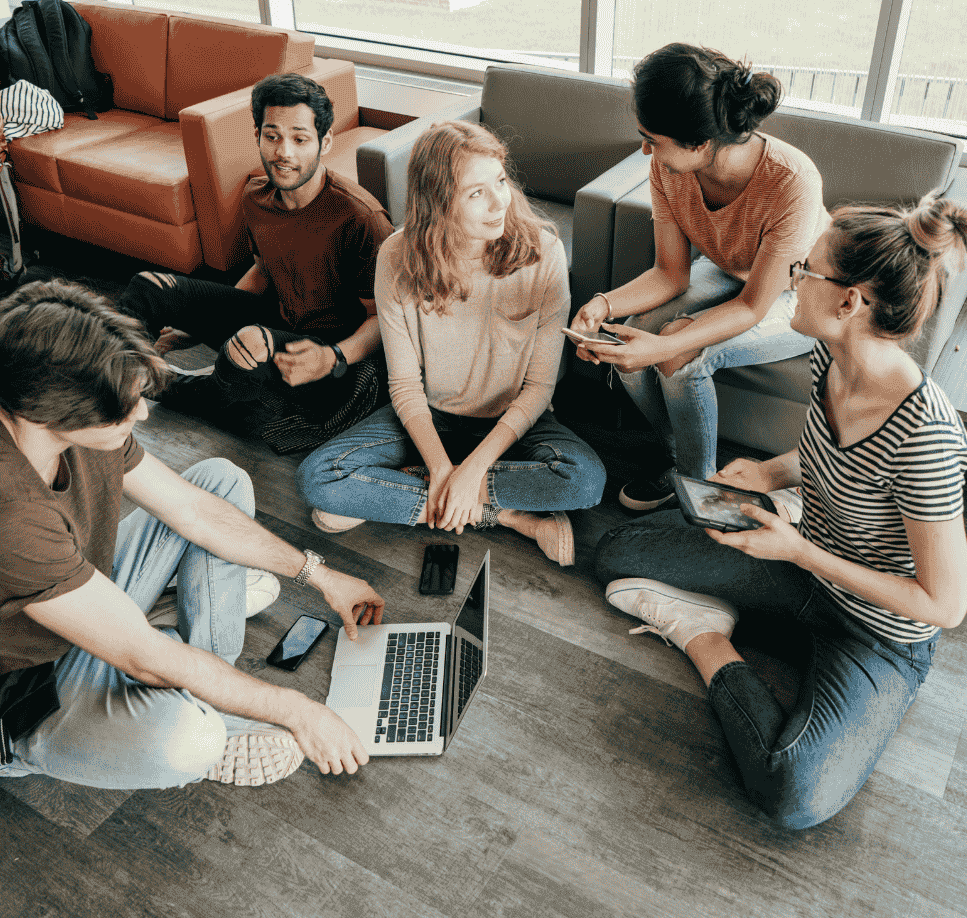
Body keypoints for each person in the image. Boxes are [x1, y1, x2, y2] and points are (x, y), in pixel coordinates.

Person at [592, 195, 967, 828]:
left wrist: (797, 549)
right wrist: (769, 472)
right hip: (803, 566)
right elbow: (828, 453)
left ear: (850, 302)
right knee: (616, 553)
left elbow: (944, 606)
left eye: (807, 270)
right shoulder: (831, 356)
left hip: (876, 631)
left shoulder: (925, 440)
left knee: (793, 794)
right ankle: (745, 611)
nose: (791, 281)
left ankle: (703, 635)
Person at [0, 280, 386, 789]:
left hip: (80, 593)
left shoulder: (75, 419)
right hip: (31, 686)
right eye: (123, 408)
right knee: (190, 742)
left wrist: (321, 575)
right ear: (46, 412)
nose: (140, 414)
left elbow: (194, 511)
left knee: (221, 481)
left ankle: (197, 673)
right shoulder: (11, 510)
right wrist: (296, 708)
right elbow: (144, 656)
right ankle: (36, 747)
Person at [295, 121, 607, 565]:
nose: (500, 201)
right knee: (318, 478)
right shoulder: (397, 257)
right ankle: (505, 516)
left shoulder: (544, 252)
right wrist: (444, 470)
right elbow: (403, 385)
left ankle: (406, 491)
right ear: (438, 202)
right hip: (430, 416)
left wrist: (474, 468)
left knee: (584, 482)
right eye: (476, 192)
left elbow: (539, 389)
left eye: (499, 181)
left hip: (511, 420)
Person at [569, 43, 826, 510]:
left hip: (799, 293)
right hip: (730, 271)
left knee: (678, 353)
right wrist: (603, 305)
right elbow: (670, 274)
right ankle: (680, 460)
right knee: (631, 341)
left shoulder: (791, 182)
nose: (645, 148)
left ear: (700, 142)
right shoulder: (667, 168)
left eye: (653, 138)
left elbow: (753, 305)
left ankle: (701, 487)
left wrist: (666, 346)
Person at [119, 72, 394, 454]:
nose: (284, 152)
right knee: (147, 287)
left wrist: (332, 358)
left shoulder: (361, 218)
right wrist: (196, 328)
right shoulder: (256, 195)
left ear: (324, 142)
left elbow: (384, 319)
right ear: (258, 137)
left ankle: (167, 385)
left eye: (300, 139)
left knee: (244, 352)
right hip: (277, 321)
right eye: (272, 136)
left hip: (325, 354)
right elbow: (265, 271)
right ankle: (112, 389)